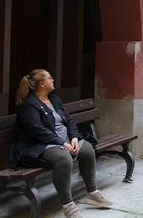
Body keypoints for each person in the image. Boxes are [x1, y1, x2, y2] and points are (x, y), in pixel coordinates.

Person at [10, 69, 113, 218]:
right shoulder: (29, 105)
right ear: (42, 84)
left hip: (63, 140)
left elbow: (69, 120)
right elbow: (38, 131)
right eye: (50, 78)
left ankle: (92, 192)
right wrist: (62, 143)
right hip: (39, 145)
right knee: (63, 159)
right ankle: (68, 204)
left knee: (88, 149)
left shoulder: (54, 99)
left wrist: (74, 138)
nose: (53, 80)